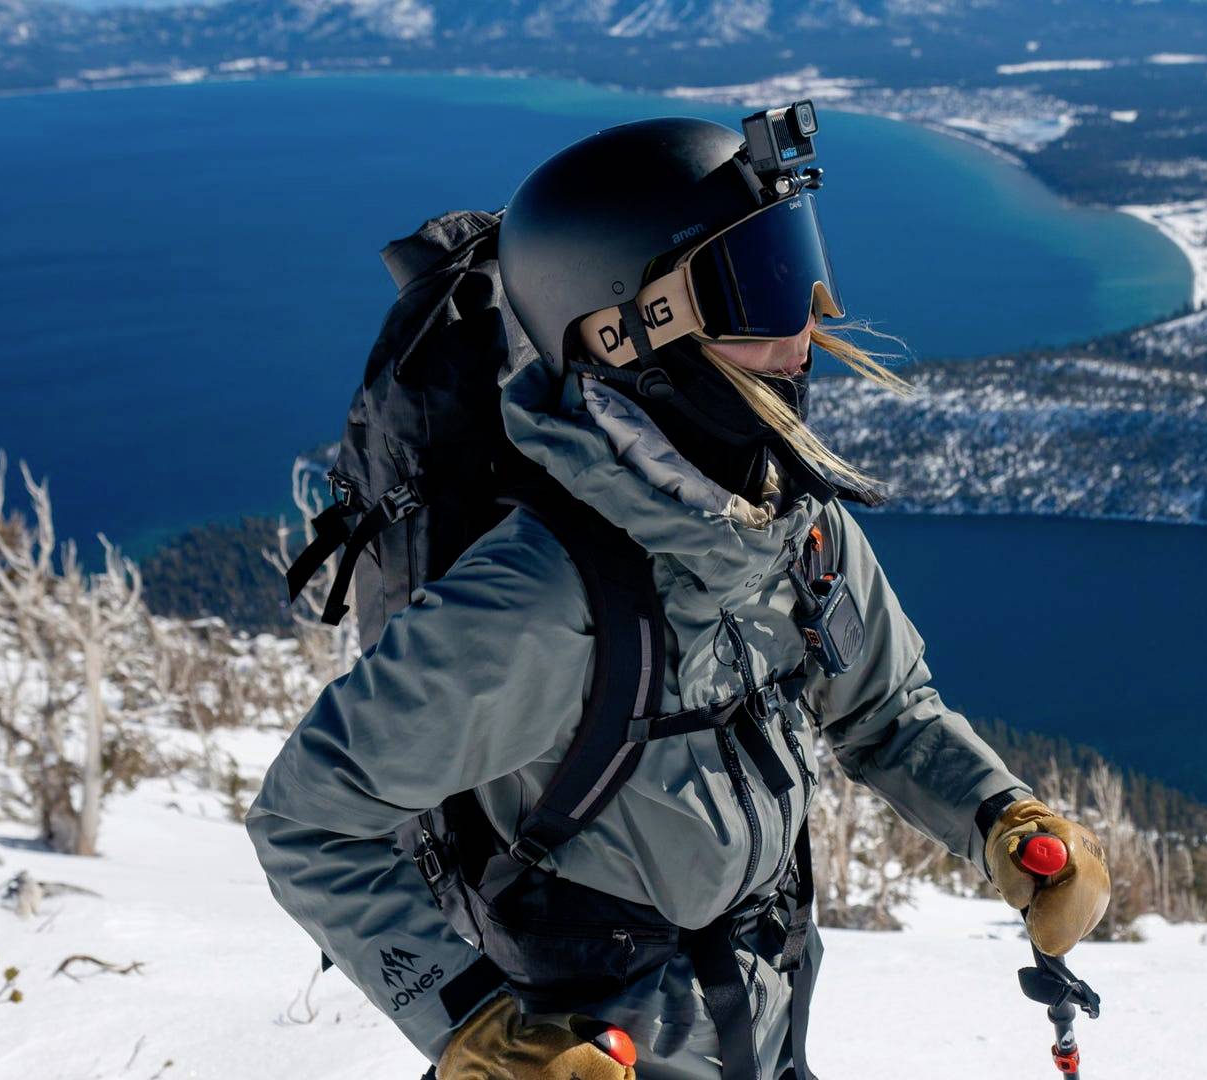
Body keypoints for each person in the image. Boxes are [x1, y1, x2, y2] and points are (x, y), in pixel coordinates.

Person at [245, 112, 1112, 1080]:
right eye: (759, 288)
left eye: (798, 267)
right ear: (621, 330)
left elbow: (887, 715)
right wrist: (474, 1030)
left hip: (760, 1029)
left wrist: (1000, 817)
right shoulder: (542, 597)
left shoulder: (796, 525)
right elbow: (305, 818)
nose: (805, 331)